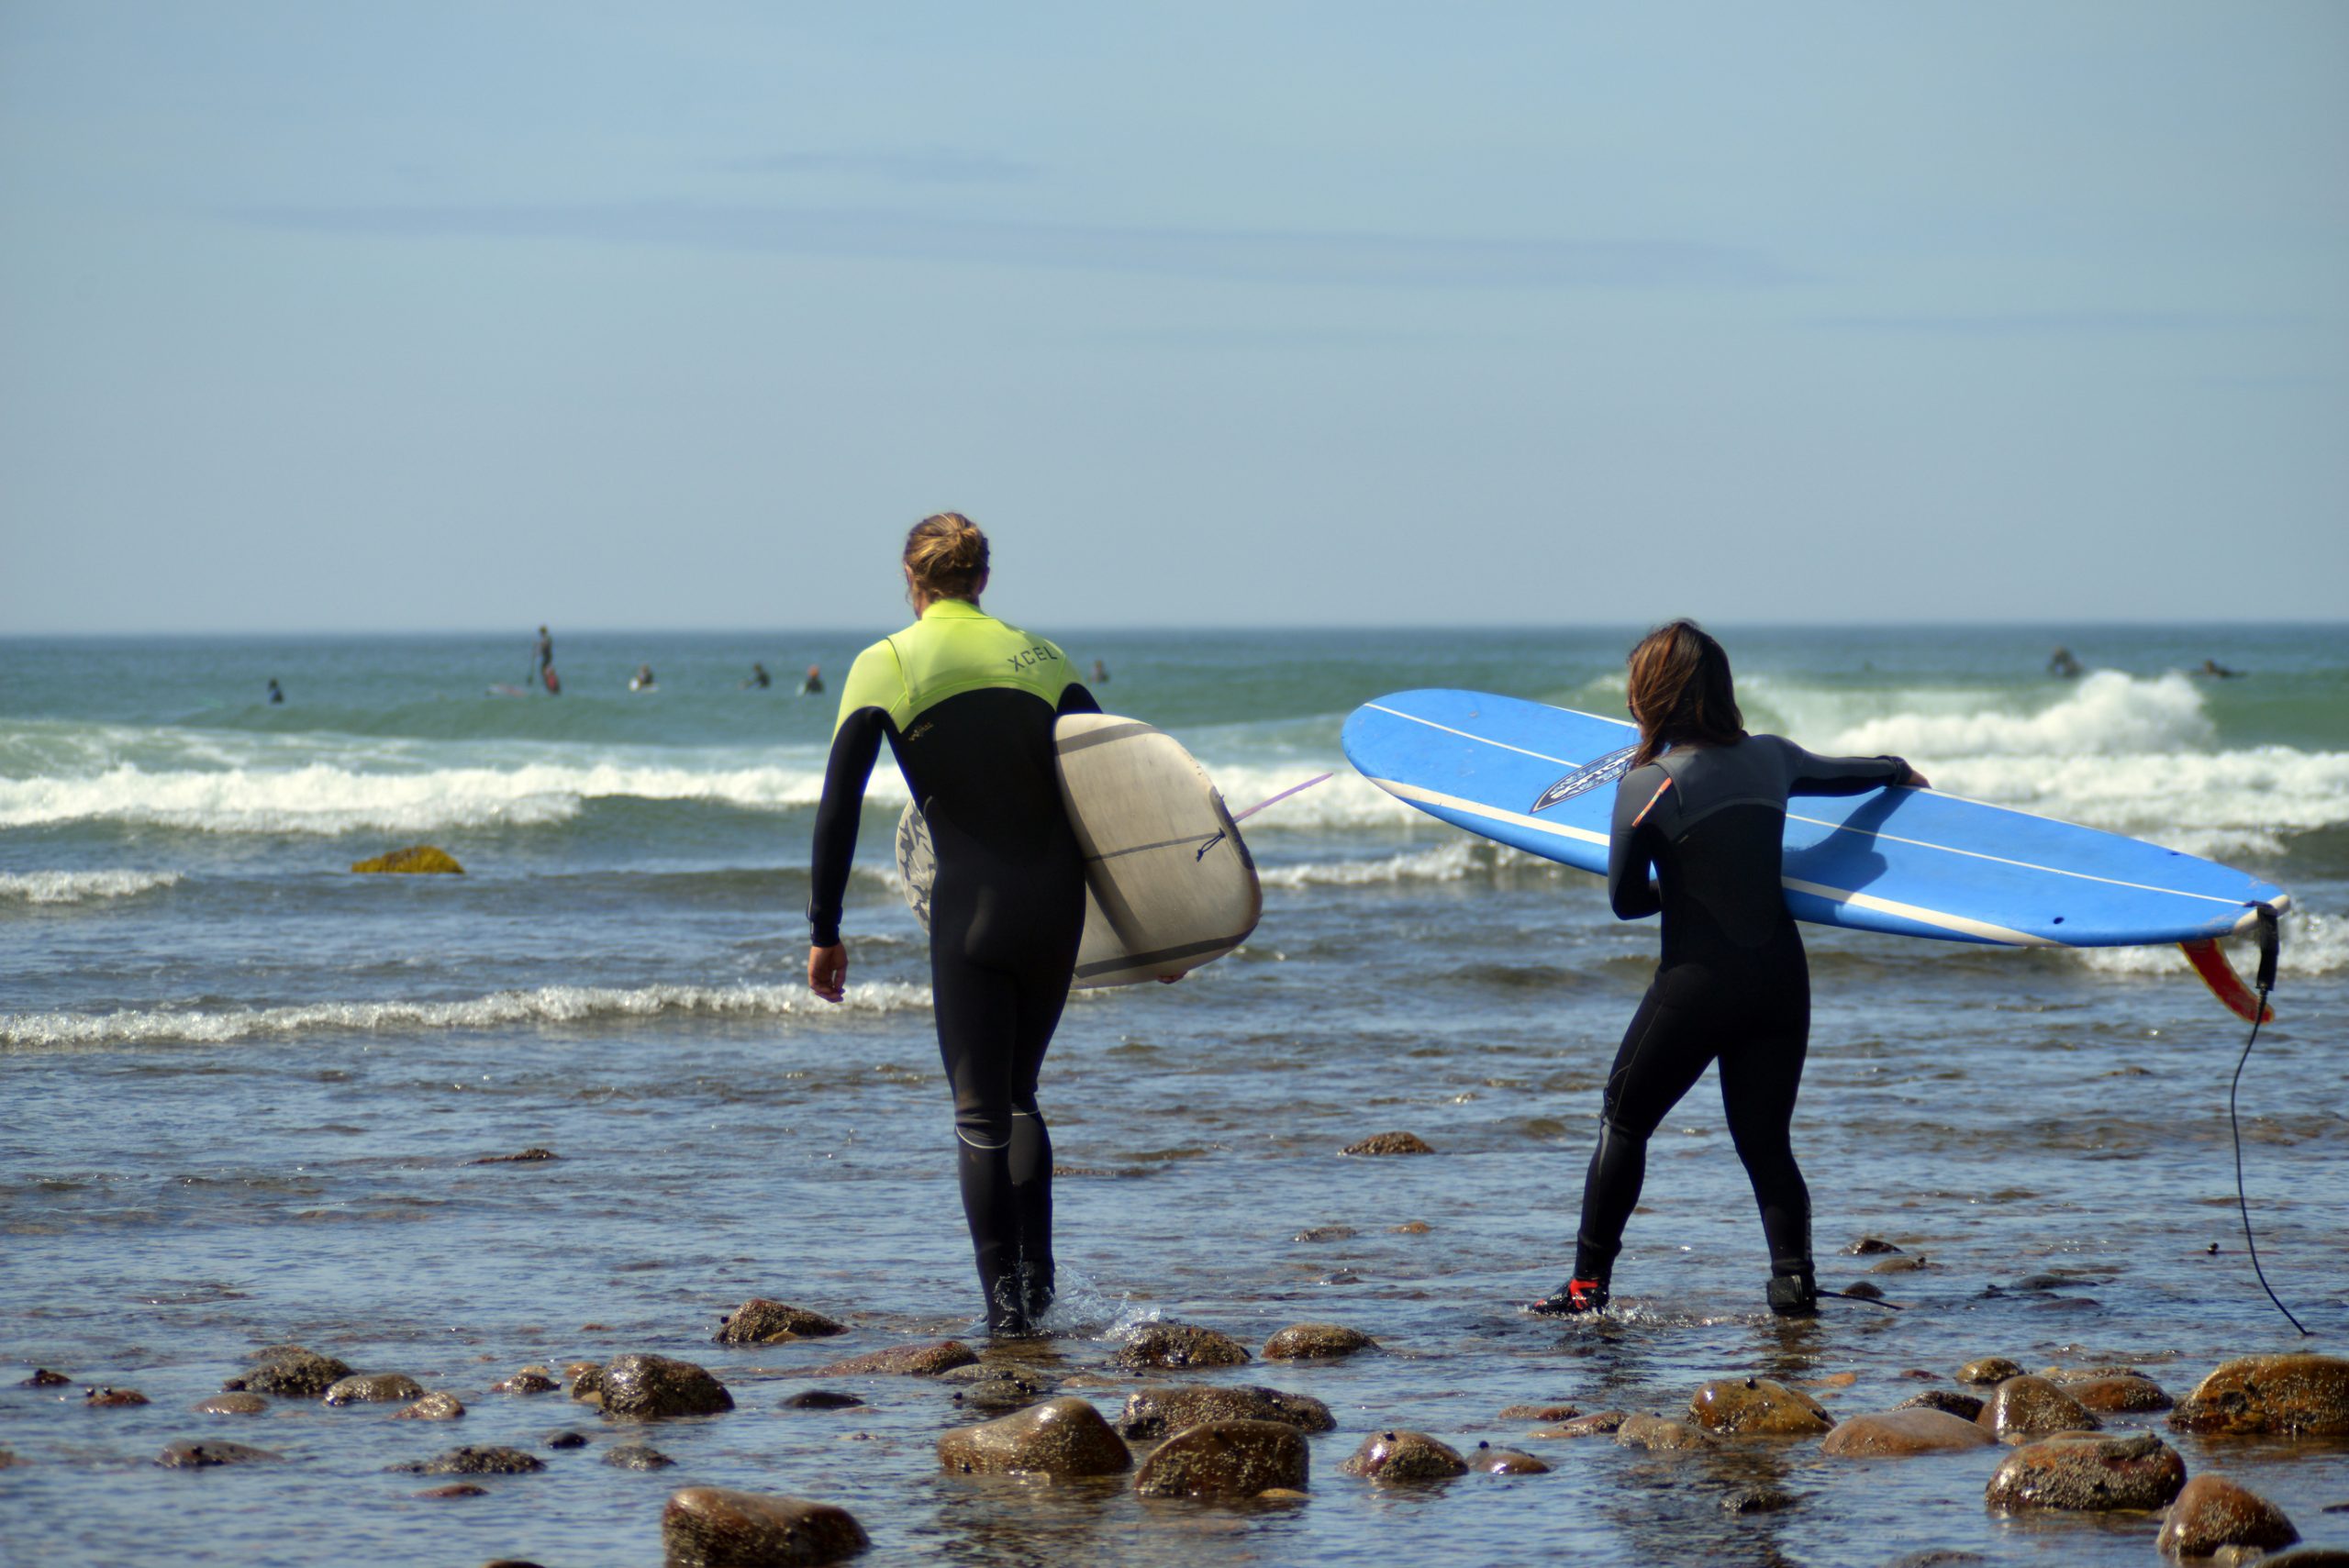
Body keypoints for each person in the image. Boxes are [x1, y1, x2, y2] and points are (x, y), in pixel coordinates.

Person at [1535, 620, 1927, 1319]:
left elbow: (1626, 902)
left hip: (1698, 981)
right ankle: (1794, 1287)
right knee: (1766, 1141)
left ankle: (1586, 1286)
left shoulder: (1646, 785)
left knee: (1623, 1120)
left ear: (1651, 695)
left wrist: (1680, 888)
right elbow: (1856, 772)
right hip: (1780, 978)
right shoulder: (1774, 758)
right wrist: (1898, 770)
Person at [806, 513, 1098, 1335]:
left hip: (971, 908)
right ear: (983, 579)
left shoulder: (887, 663)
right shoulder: (1045, 660)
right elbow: (1116, 789)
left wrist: (825, 927)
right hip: (1057, 907)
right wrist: (1161, 921)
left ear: (913, 580)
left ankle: (1006, 1319)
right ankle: (1043, 1303)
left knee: (978, 1113)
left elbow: (839, 807)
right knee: (1022, 1098)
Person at [533, 626, 557, 693]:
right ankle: (551, 685)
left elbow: (544, 646)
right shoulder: (545, 638)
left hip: (547, 657)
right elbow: (542, 647)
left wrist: (537, 647)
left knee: (546, 671)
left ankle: (552, 685)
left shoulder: (546, 638)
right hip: (547, 657)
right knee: (546, 670)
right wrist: (537, 651)